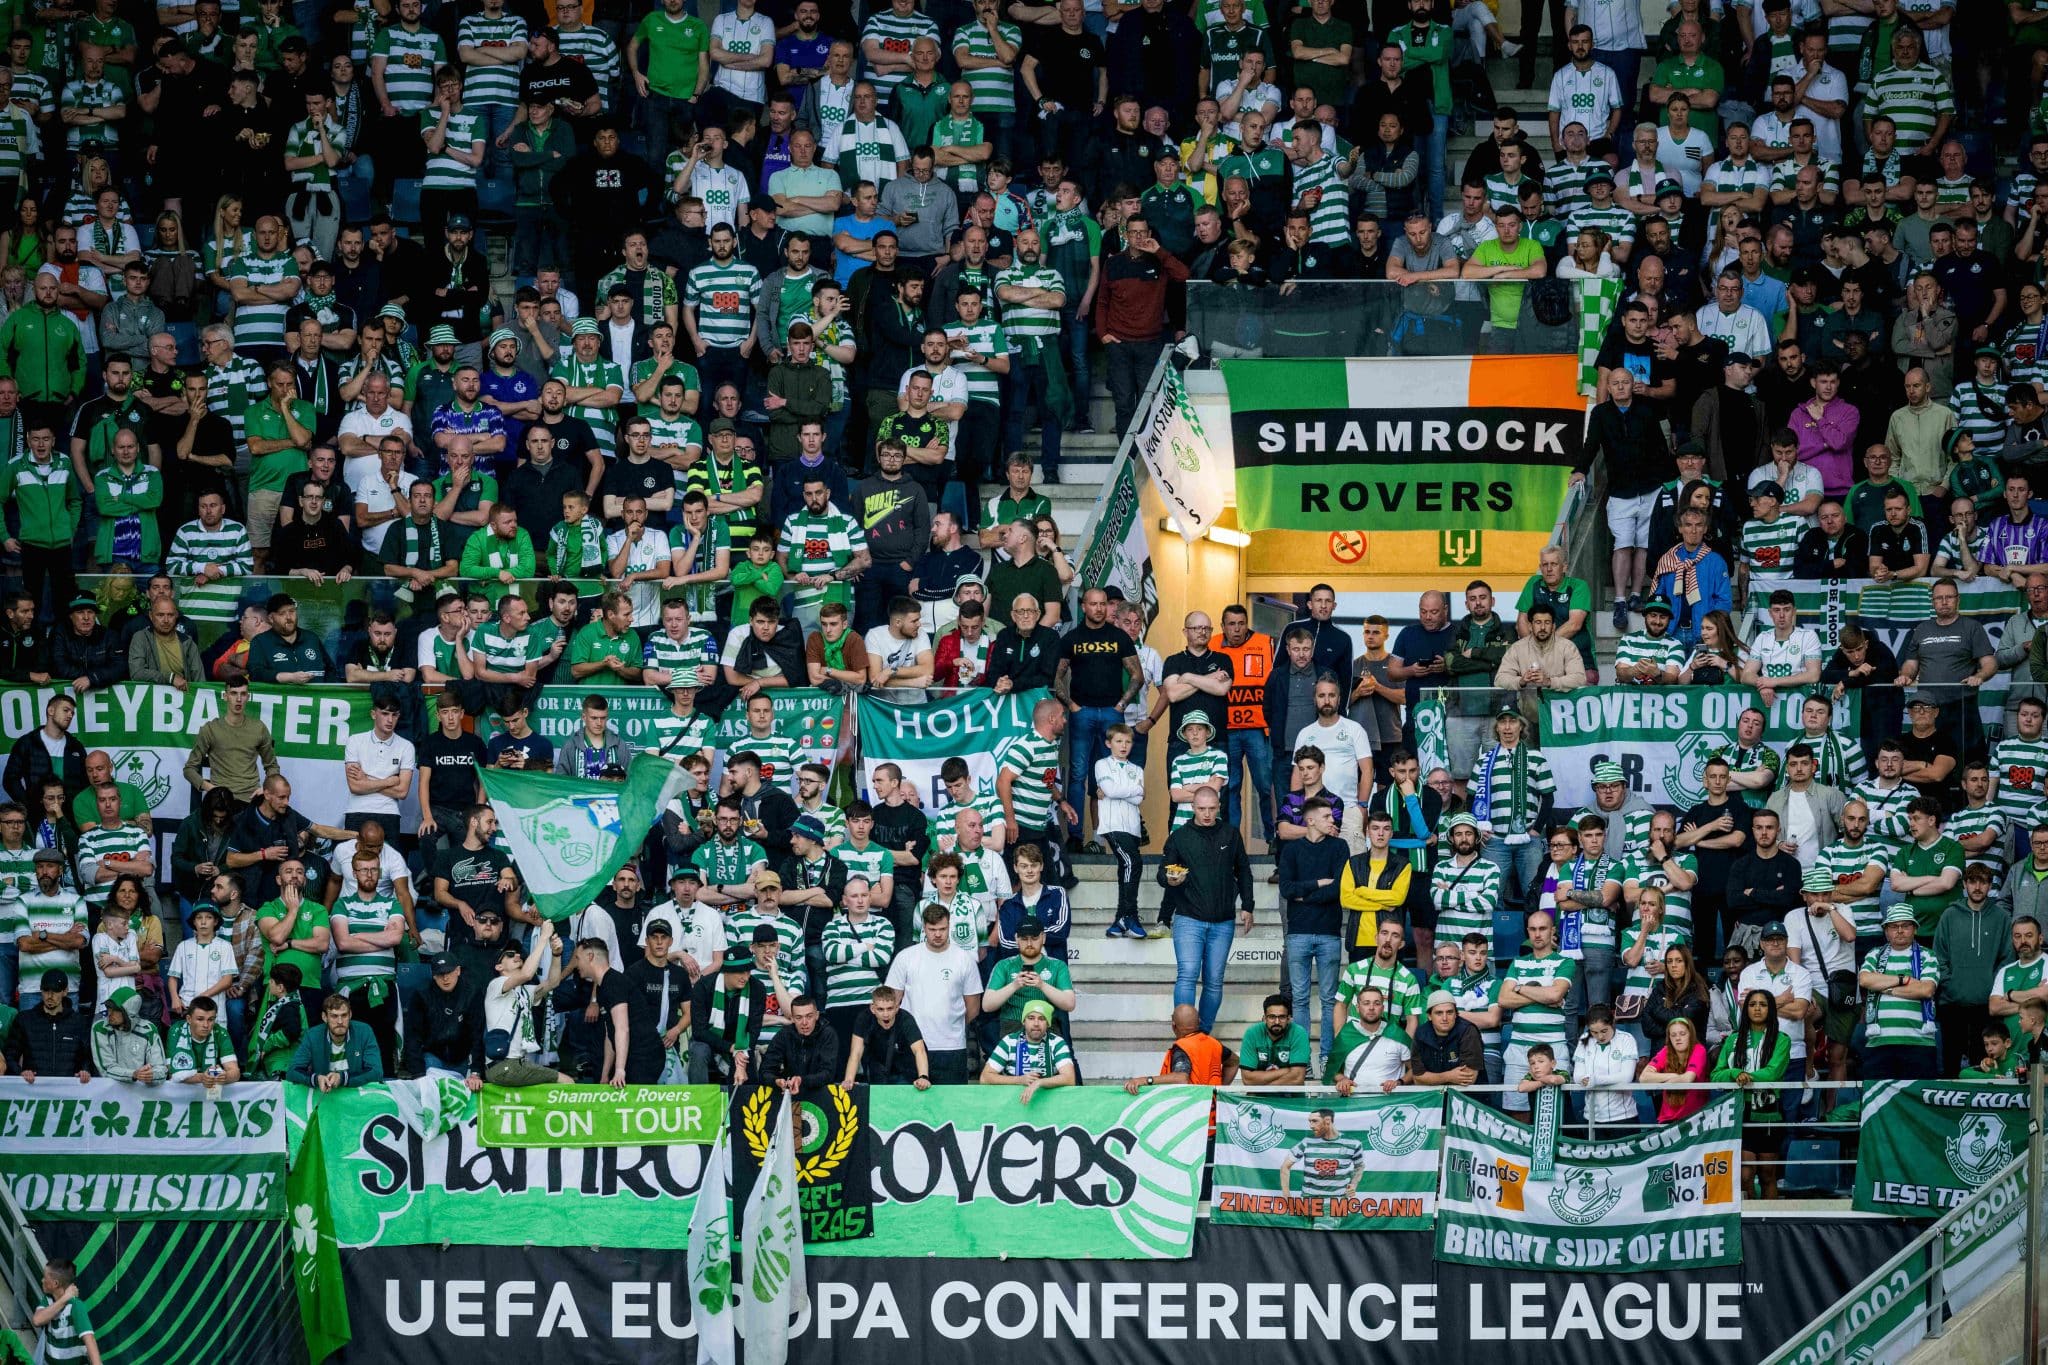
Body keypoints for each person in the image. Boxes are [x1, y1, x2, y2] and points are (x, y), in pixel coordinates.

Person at [885, 903, 981, 1083]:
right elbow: (892, 1002)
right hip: (912, 1045)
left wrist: (951, 1026)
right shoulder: (905, 957)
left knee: (952, 1099)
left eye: (942, 929)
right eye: (932, 929)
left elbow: (973, 1008)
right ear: (924, 927)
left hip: (952, 1047)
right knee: (911, 1100)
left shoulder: (964, 959)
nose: (937, 934)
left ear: (949, 925)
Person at [1859, 904, 1944, 1078]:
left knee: (1917, 1094)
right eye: (1893, 926)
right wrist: (1902, 979)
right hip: (1879, 1043)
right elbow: (1865, 980)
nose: (1899, 931)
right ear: (1886, 931)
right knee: (1879, 1094)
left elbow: (1926, 989)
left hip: (1919, 1042)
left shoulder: (1927, 955)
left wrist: (1884, 987)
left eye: (1905, 925)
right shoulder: (1875, 954)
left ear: (1915, 929)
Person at [1125, 1002, 1238, 1092]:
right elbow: (1234, 1062)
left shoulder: (1183, 1047)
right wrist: (1219, 1090)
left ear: (1173, 1026)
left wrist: (1146, 1080)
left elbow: (1181, 1078)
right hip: (1212, 1107)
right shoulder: (1214, 1044)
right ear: (1199, 1022)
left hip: (1191, 1108)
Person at [287, 993, 384, 1090]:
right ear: (324, 1017)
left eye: (344, 1015)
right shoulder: (312, 1035)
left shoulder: (364, 1031)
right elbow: (292, 1072)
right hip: (325, 1094)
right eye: (334, 1016)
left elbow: (376, 1072)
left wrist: (342, 1078)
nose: (340, 1021)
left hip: (356, 1092)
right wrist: (317, 1079)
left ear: (350, 1015)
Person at [1413, 988, 1485, 1087]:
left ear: (1456, 1014)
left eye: (1449, 1012)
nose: (1444, 1018)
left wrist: (1431, 1079)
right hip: (1432, 1095)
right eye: (1439, 1013)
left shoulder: (1468, 1031)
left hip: (1467, 1094)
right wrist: (1448, 1076)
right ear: (1429, 1016)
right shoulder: (1421, 1034)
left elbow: (1468, 1078)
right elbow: (1418, 1079)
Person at [1239, 993, 1312, 1085]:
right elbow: (1247, 1079)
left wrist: (1264, 1088)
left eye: (1282, 1017)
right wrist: (1286, 1071)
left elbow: (1297, 1078)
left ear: (1289, 1019)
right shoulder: (1252, 1033)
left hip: (1289, 1095)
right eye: (1272, 1017)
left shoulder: (1298, 1033)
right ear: (1264, 1018)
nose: (1277, 1022)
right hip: (1259, 1095)